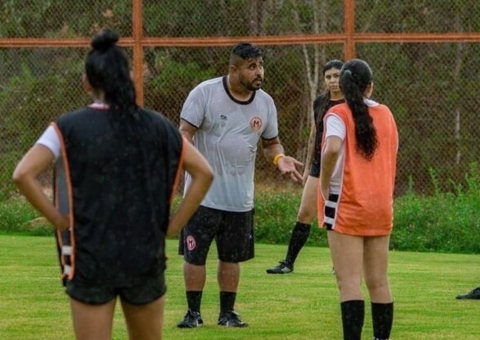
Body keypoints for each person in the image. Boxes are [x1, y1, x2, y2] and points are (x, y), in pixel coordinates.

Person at [12, 28, 213, 340]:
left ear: (87, 82)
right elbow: (204, 173)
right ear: (126, 78)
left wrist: (57, 218)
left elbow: (22, 174)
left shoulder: (67, 127)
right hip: (144, 255)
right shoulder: (158, 125)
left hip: (92, 256)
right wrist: (174, 226)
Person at [177, 42, 303, 328]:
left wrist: (280, 158)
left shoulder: (265, 103)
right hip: (201, 197)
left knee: (231, 258)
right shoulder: (204, 93)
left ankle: (227, 314)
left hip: (240, 199)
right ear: (234, 69)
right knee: (195, 257)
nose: (259, 72)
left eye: (260, 66)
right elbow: (184, 132)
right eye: (252, 67)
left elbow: (271, 143)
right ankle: (193, 314)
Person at [318, 59, 398, 340]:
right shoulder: (386, 114)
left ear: (342, 85)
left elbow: (331, 149)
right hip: (381, 205)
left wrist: (325, 183)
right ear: (370, 86)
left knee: (349, 281)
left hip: (348, 203)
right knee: (378, 281)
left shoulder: (337, 114)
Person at [266, 59, 344, 274]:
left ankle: (342, 264)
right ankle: (288, 263)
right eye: (328, 77)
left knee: (339, 217)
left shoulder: (352, 103)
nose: (332, 80)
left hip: (344, 169)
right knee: (304, 213)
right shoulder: (320, 102)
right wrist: (309, 166)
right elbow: (314, 136)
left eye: (337, 76)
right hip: (321, 166)